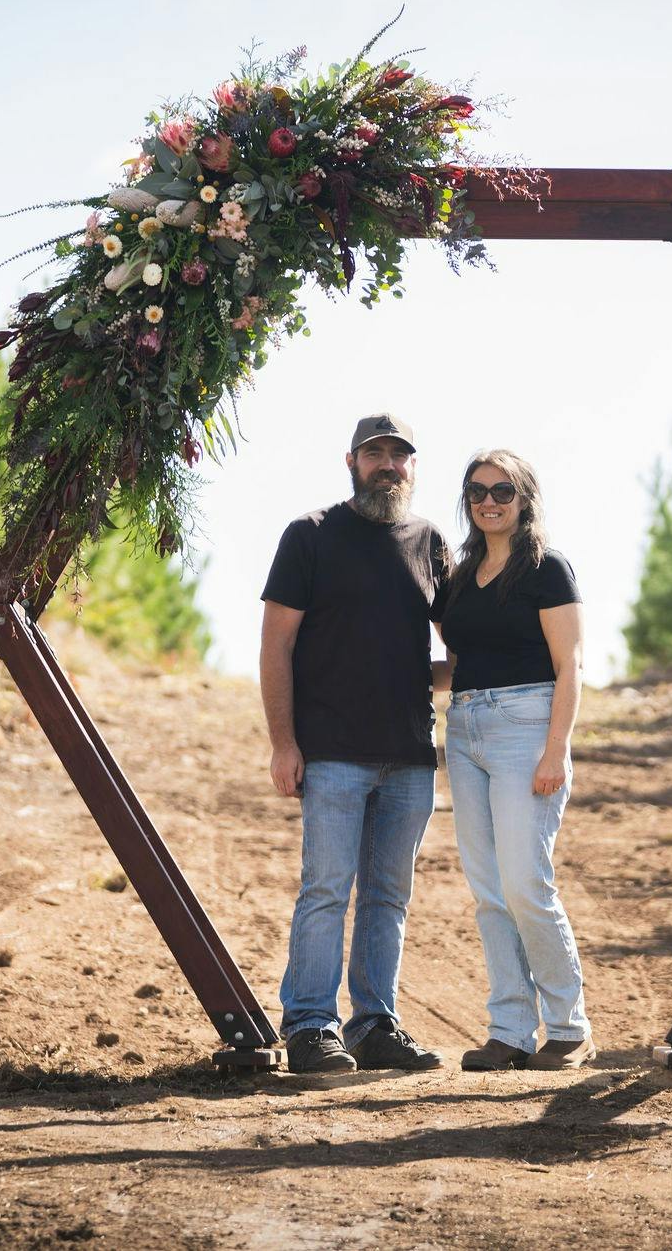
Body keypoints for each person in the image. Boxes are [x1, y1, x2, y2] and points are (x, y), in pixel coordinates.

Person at [260, 413, 451, 1074]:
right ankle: (311, 1024)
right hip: (333, 752)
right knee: (326, 889)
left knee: (388, 897)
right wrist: (284, 743)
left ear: (412, 467)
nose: (388, 465)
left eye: (400, 456)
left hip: (410, 757)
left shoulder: (430, 542)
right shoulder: (310, 536)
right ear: (351, 461)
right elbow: (276, 644)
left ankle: (374, 1025)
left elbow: (461, 646)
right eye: (376, 454)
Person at [435, 450, 594, 1070]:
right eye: (476, 491)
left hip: (528, 730)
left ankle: (568, 1026)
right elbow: (461, 665)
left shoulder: (547, 569)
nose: (488, 500)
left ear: (524, 497)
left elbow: (569, 666)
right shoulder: (460, 576)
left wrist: (555, 750)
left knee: (526, 882)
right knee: (488, 890)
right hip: (466, 729)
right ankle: (509, 1030)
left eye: (502, 490)